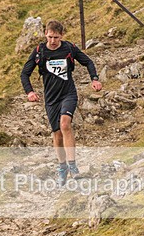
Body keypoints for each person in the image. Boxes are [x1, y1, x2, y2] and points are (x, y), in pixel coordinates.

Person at [21, 19, 102, 185]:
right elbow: (25, 73)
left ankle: (73, 166)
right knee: (57, 135)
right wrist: (29, 92)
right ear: (45, 35)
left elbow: (88, 61)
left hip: (68, 94)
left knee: (65, 124)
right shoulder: (39, 52)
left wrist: (94, 79)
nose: (52, 41)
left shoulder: (69, 48)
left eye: (56, 37)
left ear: (61, 36)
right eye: (50, 37)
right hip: (51, 98)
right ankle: (62, 167)